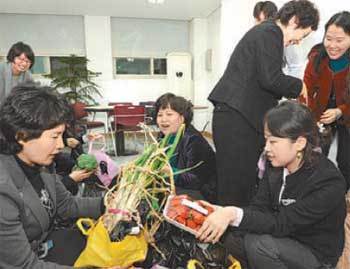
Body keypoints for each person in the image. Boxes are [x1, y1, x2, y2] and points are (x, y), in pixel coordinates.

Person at [196, 100, 346, 269]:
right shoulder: (275, 166)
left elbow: (282, 223)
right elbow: (259, 208)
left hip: (315, 252)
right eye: (266, 140)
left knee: (259, 245)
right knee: (231, 237)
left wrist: (233, 213)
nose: (266, 148)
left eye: (273, 142)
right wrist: (220, 212)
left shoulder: (327, 180)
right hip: (283, 237)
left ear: (299, 143)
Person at [208, 0, 319, 207]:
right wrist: (299, 86)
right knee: (236, 185)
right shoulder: (271, 33)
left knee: (239, 181)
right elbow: (271, 79)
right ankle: (231, 235)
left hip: (238, 117)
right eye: (301, 36)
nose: (297, 42)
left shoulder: (265, 33)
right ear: (294, 21)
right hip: (236, 120)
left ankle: (233, 231)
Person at [0, 84, 122, 268]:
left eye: (62, 135)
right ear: (21, 135)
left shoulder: (42, 164)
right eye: (54, 136)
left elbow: (66, 205)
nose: (60, 145)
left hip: (46, 245)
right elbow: (25, 265)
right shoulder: (4, 190)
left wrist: (111, 203)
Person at [303, 11, 350, 188]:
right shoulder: (317, 56)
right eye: (328, 38)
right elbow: (306, 89)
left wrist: (341, 111)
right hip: (321, 112)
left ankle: (342, 193)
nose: (332, 45)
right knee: (316, 155)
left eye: (339, 40)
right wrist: (310, 116)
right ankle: (315, 191)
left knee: (346, 160)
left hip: (346, 114)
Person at [155, 93, 217, 202]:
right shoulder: (163, 137)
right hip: (175, 186)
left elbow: (196, 181)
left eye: (169, 114)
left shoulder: (193, 140)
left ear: (182, 118)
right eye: (160, 115)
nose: (163, 119)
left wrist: (169, 172)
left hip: (199, 193)